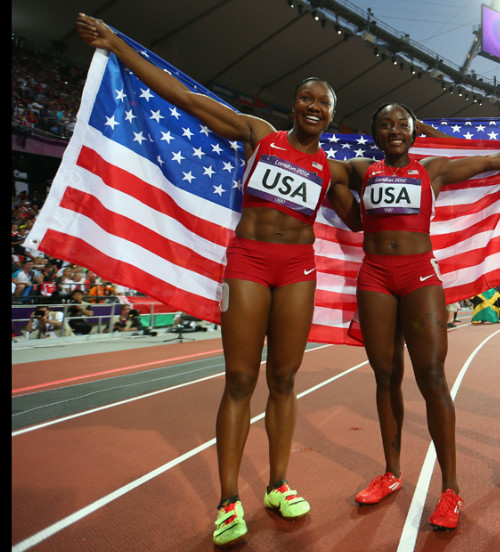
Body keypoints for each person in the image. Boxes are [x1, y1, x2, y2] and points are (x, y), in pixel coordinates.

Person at [77, 13, 362, 547]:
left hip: (299, 272)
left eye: (323, 103)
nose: (314, 108)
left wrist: (403, 173)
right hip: (250, 264)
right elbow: (188, 99)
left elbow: (363, 219)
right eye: (307, 98)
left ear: (331, 116)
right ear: (294, 105)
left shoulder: (333, 169)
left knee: (284, 381)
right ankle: (229, 499)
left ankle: (277, 484)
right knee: (239, 381)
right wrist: (118, 45)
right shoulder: (261, 136)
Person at [329, 103, 500, 530]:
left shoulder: (433, 170)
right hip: (374, 278)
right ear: (375, 133)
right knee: (384, 376)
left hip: (420, 276)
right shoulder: (361, 169)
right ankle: (391, 472)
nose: (394, 130)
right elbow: (316, 166)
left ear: (413, 132)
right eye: (385, 124)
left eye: (402, 124)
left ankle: (451, 488)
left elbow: (489, 161)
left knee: (432, 377)